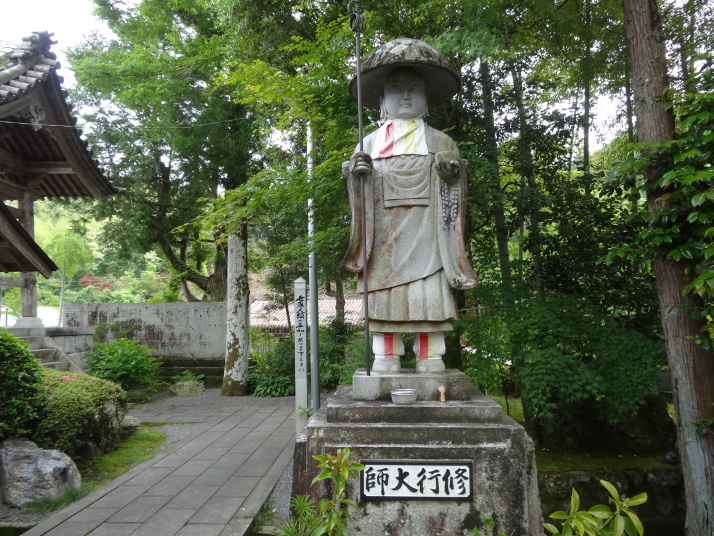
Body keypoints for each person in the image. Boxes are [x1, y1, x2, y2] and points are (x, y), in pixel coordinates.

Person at [341, 38, 478, 374]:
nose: (405, 96)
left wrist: (450, 174)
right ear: (382, 99)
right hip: (384, 235)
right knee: (384, 295)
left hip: (428, 233)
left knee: (428, 293)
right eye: (397, 88)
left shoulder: (441, 141)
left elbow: (455, 187)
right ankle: (385, 357)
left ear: (426, 98)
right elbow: (358, 188)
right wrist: (358, 175)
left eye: (414, 89)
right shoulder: (368, 143)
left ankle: (430, 358)